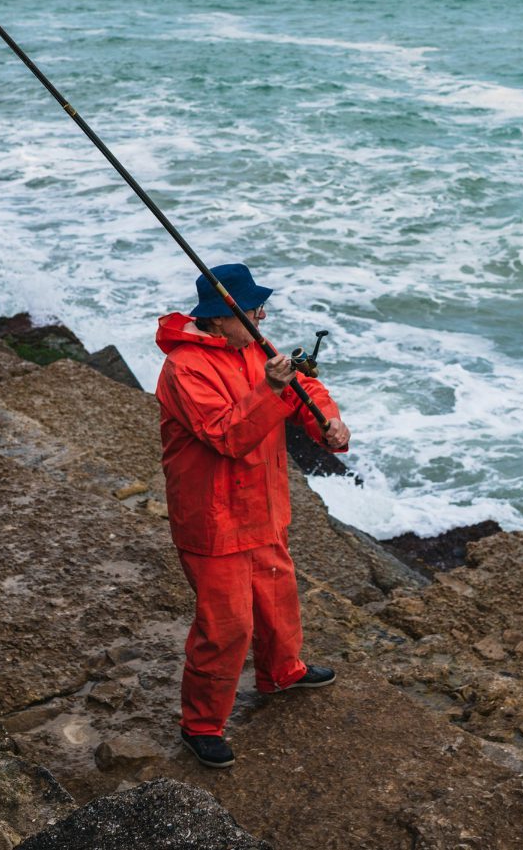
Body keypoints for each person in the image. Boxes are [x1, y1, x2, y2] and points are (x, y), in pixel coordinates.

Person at [154, 263, 351, 768]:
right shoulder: (184, 368)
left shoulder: (252, 347)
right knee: (226, 627)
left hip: (263, 509)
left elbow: (302, 389)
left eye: (260, 309)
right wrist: (272, 389)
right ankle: (201, 725)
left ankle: (282, 672)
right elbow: (226, 435)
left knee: (278, 598)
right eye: (253, 309)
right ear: (221, 318)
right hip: (213, 520)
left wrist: (328, 422)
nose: (262, 316)